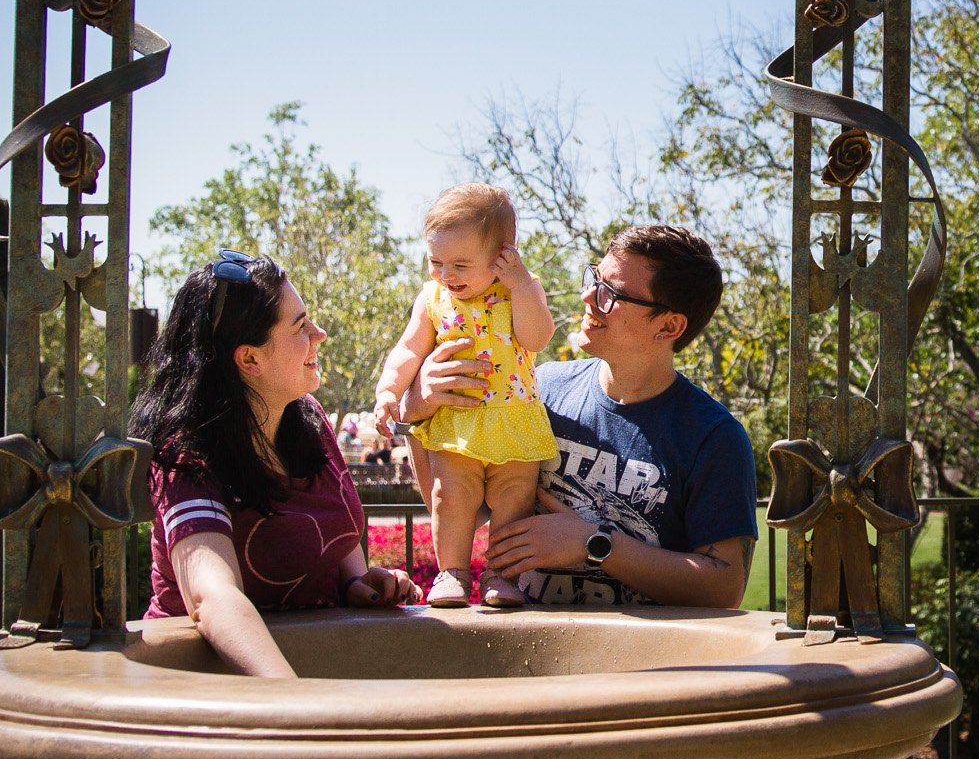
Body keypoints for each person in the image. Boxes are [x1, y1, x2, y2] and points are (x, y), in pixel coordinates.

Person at [403, 224, 757, 608]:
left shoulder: (714, 437)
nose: (588, 296)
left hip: (648, 662)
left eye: (612, 293)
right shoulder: (535, 390)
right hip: (530, 654)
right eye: (594, 279)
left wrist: (595, 544)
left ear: (668, 325)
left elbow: (724, 588)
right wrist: (415, 415)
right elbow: (464, 511)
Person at [131, 249, 421, 678]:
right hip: (207, 691)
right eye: (300, 326)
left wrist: (357, 585)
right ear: (249, 359)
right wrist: (290, 700)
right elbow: (213, 600)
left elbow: (339, 550)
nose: (319, 334)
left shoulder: (310, 418)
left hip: (320, 668)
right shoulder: (185, 453)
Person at [371, 184, 557, 608]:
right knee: (448, 496)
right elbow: (408, 349)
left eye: (459, 264)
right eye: (435, 261)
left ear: (503, 255)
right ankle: (451, 572)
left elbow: (537, 337)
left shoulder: (520, 289)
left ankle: (499, 575)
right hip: (456, 421)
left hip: (513, 420)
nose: (446, 274)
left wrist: (522, 284)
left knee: (514, 499)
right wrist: (388, 391)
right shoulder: (433, 297)